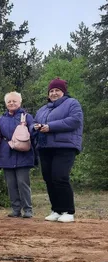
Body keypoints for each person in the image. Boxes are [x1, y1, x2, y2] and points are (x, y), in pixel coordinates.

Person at [34, 78, 83, 223]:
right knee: (49, 178)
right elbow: (35, 122)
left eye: (57, 90)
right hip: (45, 147)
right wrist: (35, 127)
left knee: (60, 177)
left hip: (65, 146)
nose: (54, 93)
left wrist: (50, 126)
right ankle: (56, 209)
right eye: (51, 91)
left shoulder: (72, 103)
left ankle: (68, 211)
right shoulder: (43, 109)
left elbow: (75, 120)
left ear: (63, 92)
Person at [0, 91, 35, 218]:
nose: (11, 103)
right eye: (9, 101)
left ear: (20, 102)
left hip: (23, 154)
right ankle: (15, 209)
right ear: (6, 104)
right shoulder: (1, 119)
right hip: (6, 153)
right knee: (11, 184)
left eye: (14, 101)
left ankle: (28, 209)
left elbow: (33, 133)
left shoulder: (27, 117)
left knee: (23, 183)